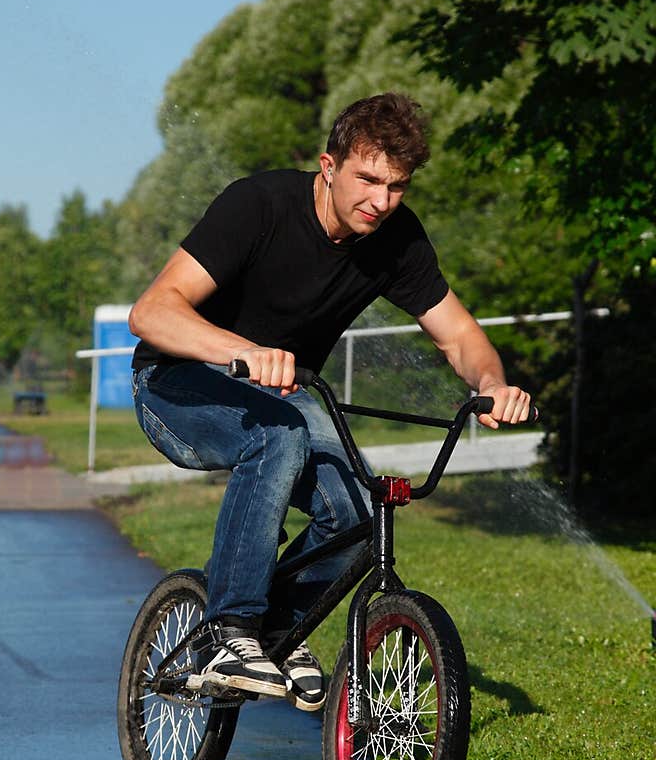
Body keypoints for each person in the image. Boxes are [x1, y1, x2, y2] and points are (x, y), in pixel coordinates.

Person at [128, 93, 531, 710]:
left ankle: (275, 633)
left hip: (285, 392)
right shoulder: (258, 205)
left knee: (356, 515)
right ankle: (229, 633)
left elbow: (459, 336)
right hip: (175, 381)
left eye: (396, 186)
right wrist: (242, 350)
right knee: (278, 437)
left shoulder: (396, 239)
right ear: (328, 165)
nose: (380, 200)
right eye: (368, 179)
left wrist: (492, 385)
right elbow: (151, 313)